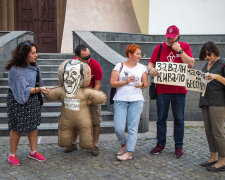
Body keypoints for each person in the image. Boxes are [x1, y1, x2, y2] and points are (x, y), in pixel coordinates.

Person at [147, 25, 195, 158]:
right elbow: (151, 63)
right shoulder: (160, 47)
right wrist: (150, 70)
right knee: (161, 118)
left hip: (179, 90)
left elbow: (191, 64)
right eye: (167, 37)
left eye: (172, 37)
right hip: (162, 89)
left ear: (178, 36)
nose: (169, 39)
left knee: (179, 119)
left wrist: (180, 51)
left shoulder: (184, 46)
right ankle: (160, 144)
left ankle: (178, 146)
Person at [5, 41, 50, 166]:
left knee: (33, 126)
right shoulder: (16, 70)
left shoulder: (34, 66)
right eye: (33, 53)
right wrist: (39, 89)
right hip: (17, 101)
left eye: (36, 53)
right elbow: (22, 90)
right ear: (24, 54)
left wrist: (42, 88)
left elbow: (37, 83)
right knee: (17, 128)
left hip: (32, 99)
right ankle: (12, 154)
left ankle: (33, 151)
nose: (36, 55)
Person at [110, 44, 148, 161]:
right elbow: (112, 83)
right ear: (130, 54)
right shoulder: (119, 66)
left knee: (132, 127)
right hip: (121, 100)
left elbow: (146, 84)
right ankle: (123, 145)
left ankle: (129, 152)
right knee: (118, 128)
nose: (139, 56)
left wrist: (142, 84)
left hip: (136, 100)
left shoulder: (142, 67)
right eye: (137, 54)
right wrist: (125, 82)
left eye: (140, 54)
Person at [64, 44, 103, 156]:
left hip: (92, 93)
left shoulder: (95, 64)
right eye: (85, 58)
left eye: (89, 56)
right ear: (78, 57)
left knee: (95, 122)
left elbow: (98, 84)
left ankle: (95, 145)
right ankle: (73, 143)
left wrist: (90, 99)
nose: (88, 59)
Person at [198, 41, 225, 172]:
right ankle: (213, 156)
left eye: (209, 54)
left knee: (218, 132)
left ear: (215, 52)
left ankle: (223, 160)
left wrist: (216, 76)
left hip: (218, 102)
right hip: (205, 101)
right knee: (209, 131)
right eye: (205, 55)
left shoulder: (222, 63)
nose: (207, 57)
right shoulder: (206, 65)